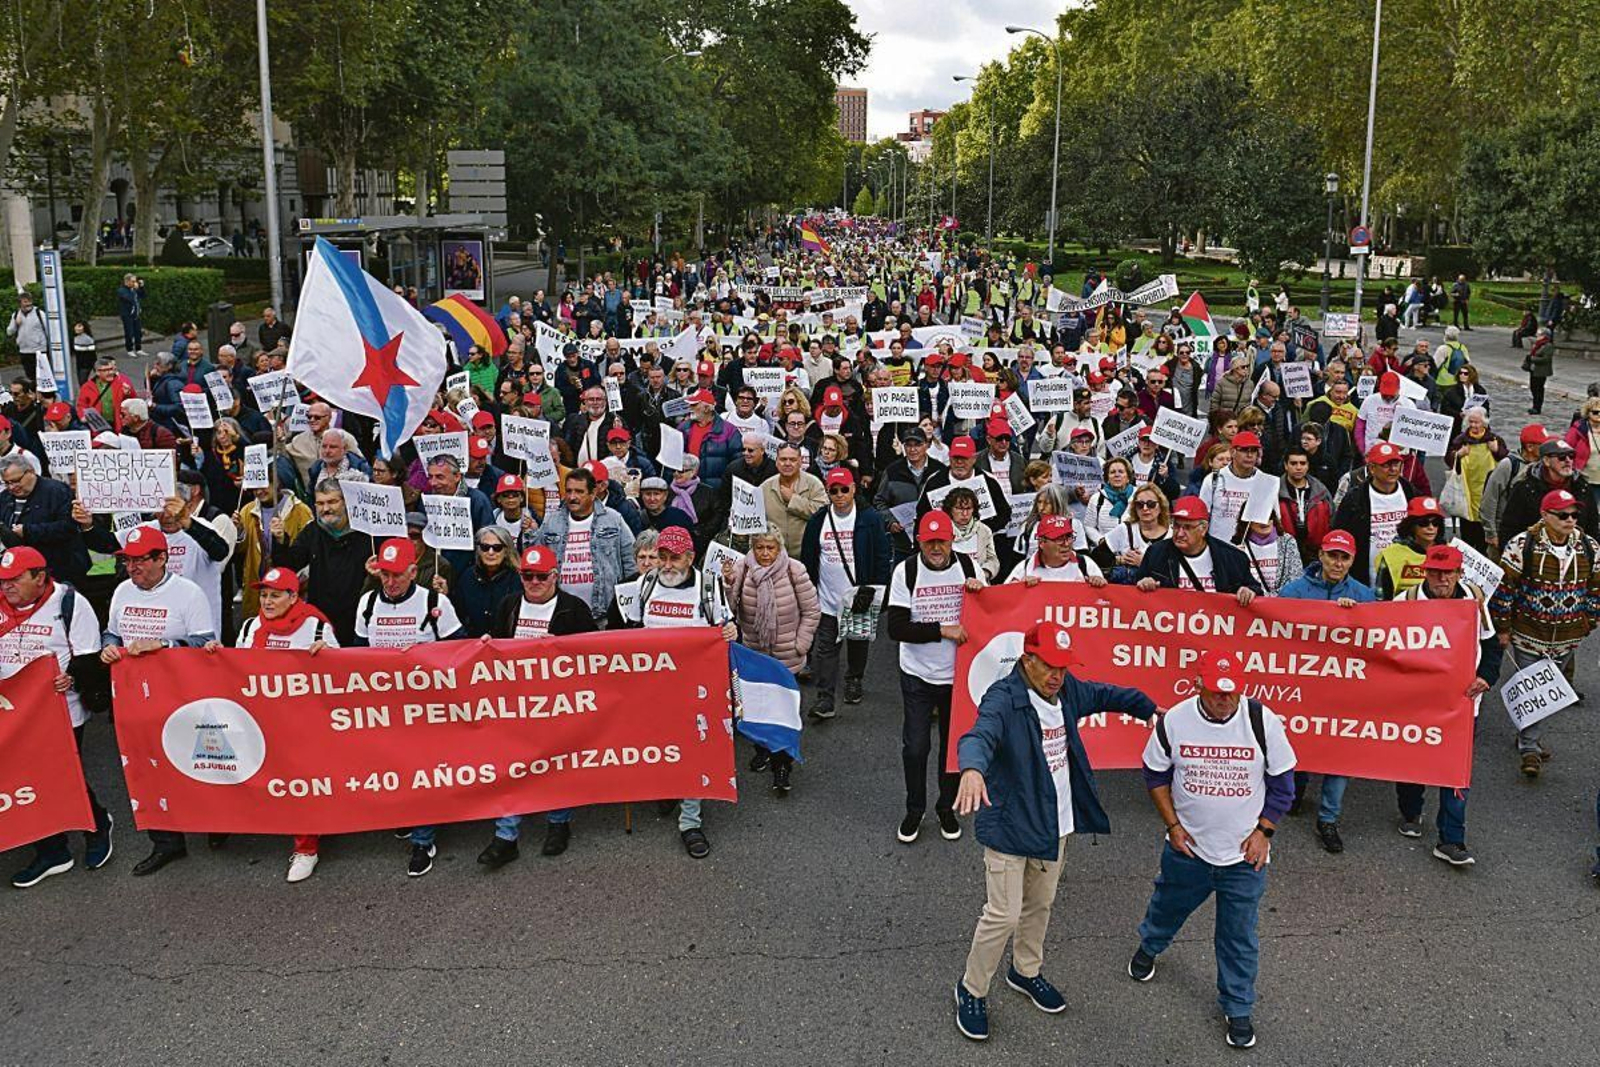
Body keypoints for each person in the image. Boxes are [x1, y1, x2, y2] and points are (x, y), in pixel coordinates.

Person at [951, 619, 1157, 1042]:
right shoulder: (1004, 698)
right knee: (1002, 915)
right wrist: (972, 769)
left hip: (1054, 825)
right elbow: (980, 734)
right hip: (1010, 826)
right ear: (1027, 660)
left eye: (1063, 667)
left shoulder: (1066, 691)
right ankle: (971, 989)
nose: (1057, 676)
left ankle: (1025, 972)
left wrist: (1146, 706)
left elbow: (1104, 693)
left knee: (1039, 906)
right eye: (1049, 666)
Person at [1128, 652, 1297, 1051]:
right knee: (1168, 905)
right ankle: (1150, 946)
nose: (1225, 700)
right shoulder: (1175, 721)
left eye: (1231, 692)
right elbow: (1155, 773)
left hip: (1244, 857)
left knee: (1238, 936)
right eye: (1216, 692)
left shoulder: (1261, 721)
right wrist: (1173, 826)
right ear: (1198, 685)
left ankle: (1238, 1007)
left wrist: (1264, 832)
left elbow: (1283, 784)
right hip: (1189, 851)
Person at [611, 526, 737, 858]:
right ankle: (668, 787)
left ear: (690, 558)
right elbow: (629, 631)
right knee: (659, 746)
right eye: (662, 557)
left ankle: (690, 822)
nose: (667, 565)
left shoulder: (708, 588)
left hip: (695, 689)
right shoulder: (645, 584)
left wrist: (729, 631)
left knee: (693, 751)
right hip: (652, 689)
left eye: (675, 558)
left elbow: (726, 629)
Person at [203, 567, 336, 882]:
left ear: (293, 596)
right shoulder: (250, 626)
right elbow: (238, 669)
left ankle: (306, 849)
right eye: (263, 594)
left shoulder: (316, 626)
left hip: (303, 723)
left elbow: (340, 675)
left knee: (300, 784)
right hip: (260, 719)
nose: (267, 601)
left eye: (275, 595)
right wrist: (218, 656)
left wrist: (329, 655)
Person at [98, 526, 216, 876]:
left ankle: (218, 821)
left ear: (162, 558)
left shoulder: (188, 594)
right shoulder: (121, 591)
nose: (132, 567)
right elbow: (113, 631)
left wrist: (163, 646)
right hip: (136, 696)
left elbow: (206, 646)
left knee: (198, 762)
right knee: (146, 768)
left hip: (181, 696)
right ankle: (166, 842)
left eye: (139, 560)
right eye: (128, 561)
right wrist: (108, 645)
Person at [1, 546, 113, 889]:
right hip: (12, 708)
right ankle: (52, 851)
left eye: (15, 579)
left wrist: (74, 678)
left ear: (39, 576)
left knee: (64, 775)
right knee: (23, 777)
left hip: (60, 708)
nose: (7, 588)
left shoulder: (69, 604)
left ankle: (96, 826)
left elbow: (90, 656)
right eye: (2, 581)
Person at [354, 537, 465, 876]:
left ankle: (422, 839)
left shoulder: (435, 603)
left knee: (422, 771)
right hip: (385, 708)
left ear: (414, 571)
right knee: (397, 768)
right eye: (385, 574)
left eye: (398, 575)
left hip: (426, 708)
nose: (390, 582)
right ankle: (409, 817)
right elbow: (356, 654)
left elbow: (460, 651)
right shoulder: (367, 604)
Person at [481, 545, 598, 866]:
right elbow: (493, 647)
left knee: (556, 765)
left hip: (558, 705)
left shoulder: (574, 609)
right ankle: (506, 836)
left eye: (541, 576)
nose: (534, 582)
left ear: (555, 577)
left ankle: (558, 824)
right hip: (515, 704)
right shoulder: (508, 605)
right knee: (512, 767)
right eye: (527, 576)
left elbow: (593, 658)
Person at [1392, 544, 1497, 865]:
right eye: (1435, 572)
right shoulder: (1405, 602)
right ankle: (1411, 811)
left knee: (1455, 772)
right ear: (1425, 571)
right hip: (1417, 703)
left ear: (1458, 573)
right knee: (1413, 760)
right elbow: (1385, 649)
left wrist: (1486, 677)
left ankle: (1451, 839)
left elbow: (1491, 646)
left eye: (1447, 572)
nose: (1441, 578)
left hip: (1463, 704)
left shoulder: (1474, 600)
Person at [885, 509, 985, 845]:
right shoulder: (906, 570)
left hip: (957, 675)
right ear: (919, 542)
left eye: (941, 541)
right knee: (915, 747)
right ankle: (915, 809)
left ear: (952, 539)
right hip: (917, 674)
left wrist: (979, 591)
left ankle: (946, 807)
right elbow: (896, 627)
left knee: (952, 748)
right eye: (929, 543)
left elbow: (993, 612)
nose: (936, 548)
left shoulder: (969, 567)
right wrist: (943, 630)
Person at [1492, 489, 1600, 777]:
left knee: (1548, 693)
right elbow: (1505, 591)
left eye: (1574, 515)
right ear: (1545, 515)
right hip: (1528, 633)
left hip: (1568, 637)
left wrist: (1589, 620)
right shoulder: (1521, 545)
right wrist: (1502, 628)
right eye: (1563, 515)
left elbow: (1595, 587)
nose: (1570, 520)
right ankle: (1529, 748)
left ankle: (1528, 736)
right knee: (1535, 691)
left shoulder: (1589, 547)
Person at [1279, 530, 1376, 852]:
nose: (1337, 563)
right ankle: (1296, 791)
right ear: (1320, 555)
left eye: (1344, 557)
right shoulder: (1294, 592)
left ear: (1352, 560)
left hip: (1344, 691)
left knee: (1338, 752)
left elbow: (1378, 641)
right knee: (1299, 741)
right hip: (1302, 687)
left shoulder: (1364, 596)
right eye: (1332, 555)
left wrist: (1356, 618)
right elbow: (1268, 627)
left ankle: (1328, 819)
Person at [721, 525, 820, 794]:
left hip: (787, 654)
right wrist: (728, 583)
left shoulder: (794, 570)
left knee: (783, 712)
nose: (765, 554)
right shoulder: (742, 568)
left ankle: (782, 765)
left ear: (780, 548)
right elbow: (729, 609)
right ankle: (762, 749)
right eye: (759, 548)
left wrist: (801, 644)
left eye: (770, 548)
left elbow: (812, 610)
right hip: (755, 653)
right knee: (756, 707)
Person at [800, 467, 890, 719]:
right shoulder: (818, 520)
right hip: (827, 599)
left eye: (844, 489)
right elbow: (809, 559)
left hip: (859, 595)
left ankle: (854, 679)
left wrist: (874, 590)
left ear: (853, 489)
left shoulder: (869, 518)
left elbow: (883, 557)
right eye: (833, 490)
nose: (839, 495)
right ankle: (825, 698)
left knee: (857, 642)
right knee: (826, 648)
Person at [269, 480, 373, 646]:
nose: (326, 509)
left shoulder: (367, 533)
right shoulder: (313, 531)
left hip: (357, 615)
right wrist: (280, 540)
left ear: (345, 502)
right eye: (320, 503)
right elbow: (289, 565)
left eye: (332, 502)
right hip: (321, 617)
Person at [530, 466, 638, 624]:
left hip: (604, 614)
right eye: (569, 491)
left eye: (579, 492)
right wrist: (528, 533)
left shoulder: (614, 519)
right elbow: (536, 559)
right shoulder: (551, 521)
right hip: (561, 613)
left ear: (593, 493)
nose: (572, 497)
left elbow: (631, 562)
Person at [1135, 497, 1263, 601]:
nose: (1179, 533)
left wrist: (1248, 591)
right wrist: (1144, 583)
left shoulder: (1232, 557)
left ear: (1204, 529)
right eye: (1176, 526)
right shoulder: (1156, 553)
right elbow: (1133, 590)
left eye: (1187, 527)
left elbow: (1255, 589)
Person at [1331, 442, 1420, 586]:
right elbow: (1339, 534)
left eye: (1396, 464)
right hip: (1365, 576)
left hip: (1405, 574)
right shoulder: (1355, 499)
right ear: (1372, 468)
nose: (1392, 469)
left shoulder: (1410, 492)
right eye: (1385, 465)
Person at [0, 452, 88, 583]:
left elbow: (69, 527)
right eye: (7, 483)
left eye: (16, 481)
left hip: (60, 569)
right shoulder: (5, 497)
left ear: (31, 471)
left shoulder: (57, 491)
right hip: (23, 572)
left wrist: (28, 531)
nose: (12, 487)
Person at [1499, 438, 1597, 543]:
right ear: (1546, 461)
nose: (1568, 461)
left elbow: (1593, 527)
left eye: (1571, 456)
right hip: (1534, 553)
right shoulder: (1525, 488)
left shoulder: (1583, 487)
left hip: (1576, 553)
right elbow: (1509, 528)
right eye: (1562, 457)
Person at [1482, 424, 1548, 558]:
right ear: (1529, 447)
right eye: (1542, 445)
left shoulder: (1543, 465)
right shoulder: (1508, 465)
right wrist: (1491, 533)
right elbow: (1490, 498)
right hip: (1504, 531)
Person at [1197, 430, 1274, 544]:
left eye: (1253, 451)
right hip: (1218, 546)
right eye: (1244, 450)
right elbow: (1202, 516)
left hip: (1250, 549)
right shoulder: (1214, 479)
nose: (1249, 455)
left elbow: (1270, 521)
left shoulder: (1265, 482)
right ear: (1233, 452)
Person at [1448, 409, 1506, 552]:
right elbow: (1448, 460)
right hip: (1466, 490)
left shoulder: (1494, 439)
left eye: (1477, 422)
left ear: (1484, 423)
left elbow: (1506, 461)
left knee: (1484, 525)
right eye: (1471, 422)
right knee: (1468, 528)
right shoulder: (1460, 440)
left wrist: (1497, 450)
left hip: (1487, 490)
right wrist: (1458, 455)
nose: (1473, 425)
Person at [1372, 495, 1446, 599]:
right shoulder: (1391, 556)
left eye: (1435, 523)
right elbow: (1382, 596)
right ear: (1411, 525)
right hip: (1403, 612)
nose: (1431, 528)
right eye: (1423, 523)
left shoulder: (1450, 552)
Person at [1005, 514, 1105, 585]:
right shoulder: (1024, 568)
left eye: (1069, 537)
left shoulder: (1085, 564)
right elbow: (1003, 603)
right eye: (1059, 539)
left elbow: (1104, 602)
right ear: (1042, 543)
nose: (1066, 544)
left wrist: (1099, 584)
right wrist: (1018, 588)